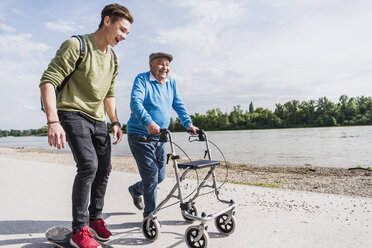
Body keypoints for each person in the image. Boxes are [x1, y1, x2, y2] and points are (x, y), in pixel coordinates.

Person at [39, 4, 133, 248]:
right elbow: (48, 82)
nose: (123, 36)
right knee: (88, 166)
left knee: (104, 168)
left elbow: (109, 94)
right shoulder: (76, 46)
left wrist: (115, 121)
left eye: (127, 33)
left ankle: (95, 218)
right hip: (71, 112)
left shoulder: (113, 58)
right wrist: (53, 121)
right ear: (107, 21)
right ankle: (79, 230)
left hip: (97, 118)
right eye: (122, 30)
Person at [126, 52, 198, 219]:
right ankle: (149, 217)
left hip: (160, 137)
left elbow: (178, 104)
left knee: (160, 176)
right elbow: (135, 102)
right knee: (151, 175)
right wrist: (148, 122)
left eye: (167, 64)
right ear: (151, 65)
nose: (164, 67)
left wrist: (188, 124)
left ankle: (136, 190)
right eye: (160, 63)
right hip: (140, 135)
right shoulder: (142, 79)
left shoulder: (171, 83)